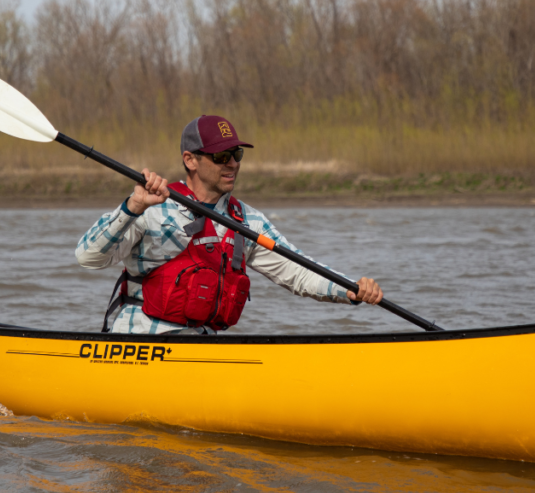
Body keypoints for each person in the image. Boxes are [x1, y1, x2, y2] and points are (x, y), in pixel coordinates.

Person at [75, 115, 383, 334]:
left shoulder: (247, 221)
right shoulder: (151, 207)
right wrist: (131, 207)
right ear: (190, 159)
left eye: (236, 154)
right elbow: (88, 257)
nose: (232, 163)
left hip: (203, 351)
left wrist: (350, 290)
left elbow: (298, 271)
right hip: (142, 347)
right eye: (222, 156)